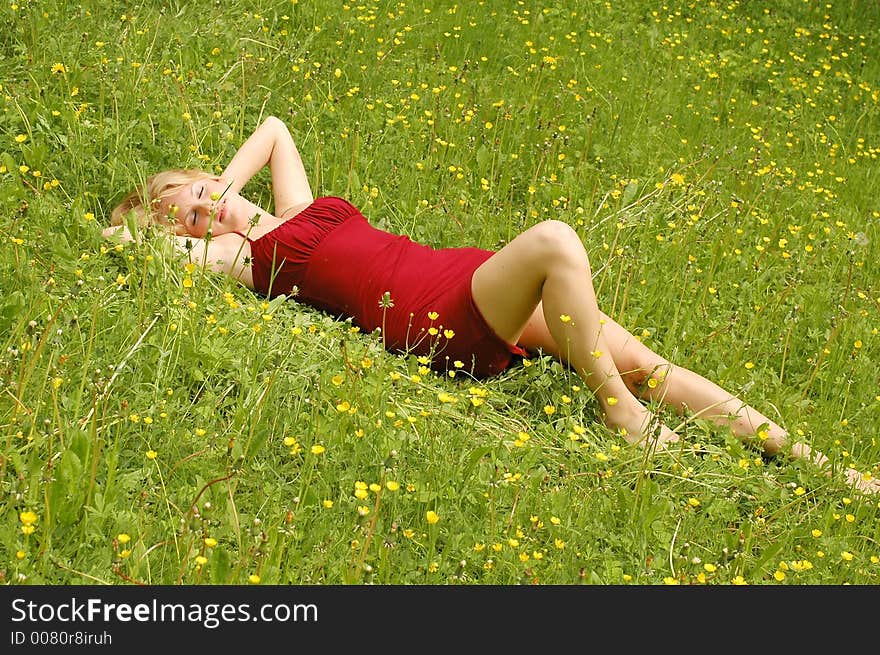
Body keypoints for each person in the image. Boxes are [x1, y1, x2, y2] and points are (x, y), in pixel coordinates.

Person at [104, 116, 879, 494]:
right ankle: (622, 417)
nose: (209, 208)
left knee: (648, 362)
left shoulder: (294, 207)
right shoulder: (247, 259)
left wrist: (223, 187)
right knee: (554, 240)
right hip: (431, 315)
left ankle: (829, 469)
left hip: (470, 280)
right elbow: (135, 242)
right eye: (193, 214)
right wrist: (143, 220)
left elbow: (274, 128)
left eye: (203, 190)